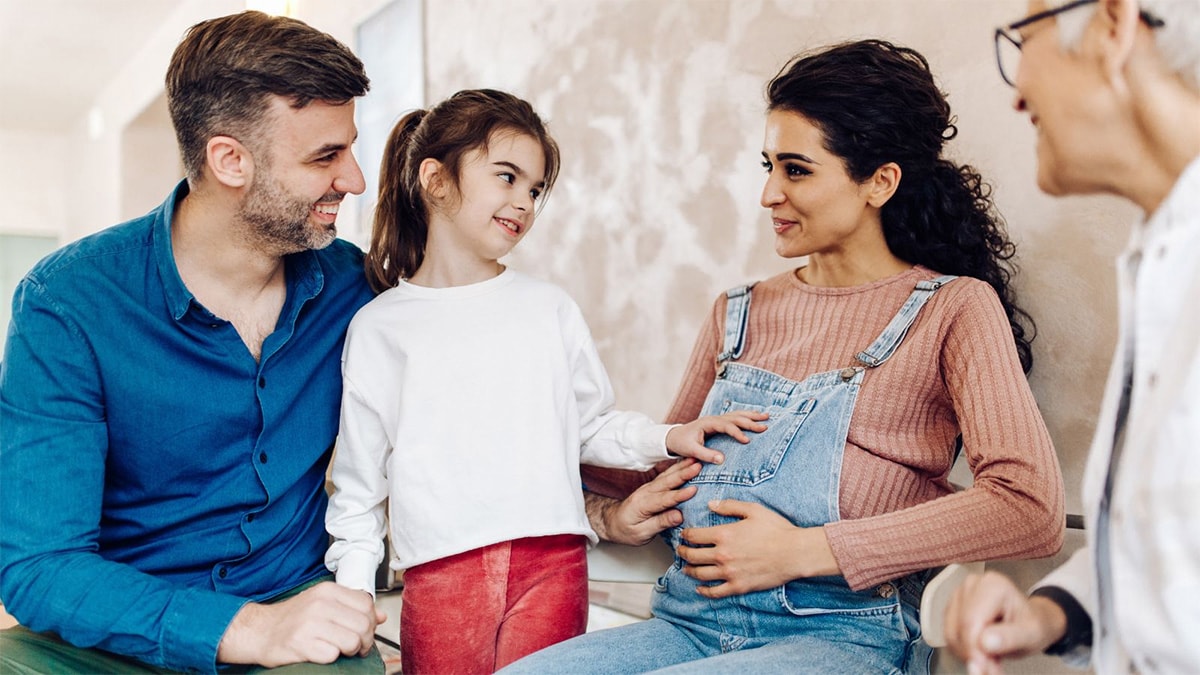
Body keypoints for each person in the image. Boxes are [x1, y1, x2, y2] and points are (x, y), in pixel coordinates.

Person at [500, 39, 1067, 675]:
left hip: (845, 636)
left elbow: (1030, 506)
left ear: (879, 182)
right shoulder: (736, 310)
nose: (769, 194)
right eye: (767, 165)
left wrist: (805, 550)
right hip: (689, 623)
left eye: (796, 170)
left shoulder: (954, 309)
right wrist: (603, 507)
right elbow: (668, 473)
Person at [322, 88, 767, 675]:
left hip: (556, 567)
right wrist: (354, 593)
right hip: (441, 575)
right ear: (435, 179)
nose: (524, 203)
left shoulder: (549, 309)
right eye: (506, 178)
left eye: (535, 189)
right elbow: (358, 484)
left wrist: (668, 437)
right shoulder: (379, 327)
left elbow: (587, 427)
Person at [0, 11, 386, 673]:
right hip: (113, 629)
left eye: (348, 148)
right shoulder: (68, 304)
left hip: (300, 615)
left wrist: (596, 506)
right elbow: (40, 564)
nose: (354, 181)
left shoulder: (359, 289)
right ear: (230, 160)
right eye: (325, 156)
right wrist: (243, 628)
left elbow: (458, 412)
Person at [942, 0, 1200, 673]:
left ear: (1113, 27)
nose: (1018, 91)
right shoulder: (1165, 258)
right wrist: (1048, 612)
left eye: (1024, 38)